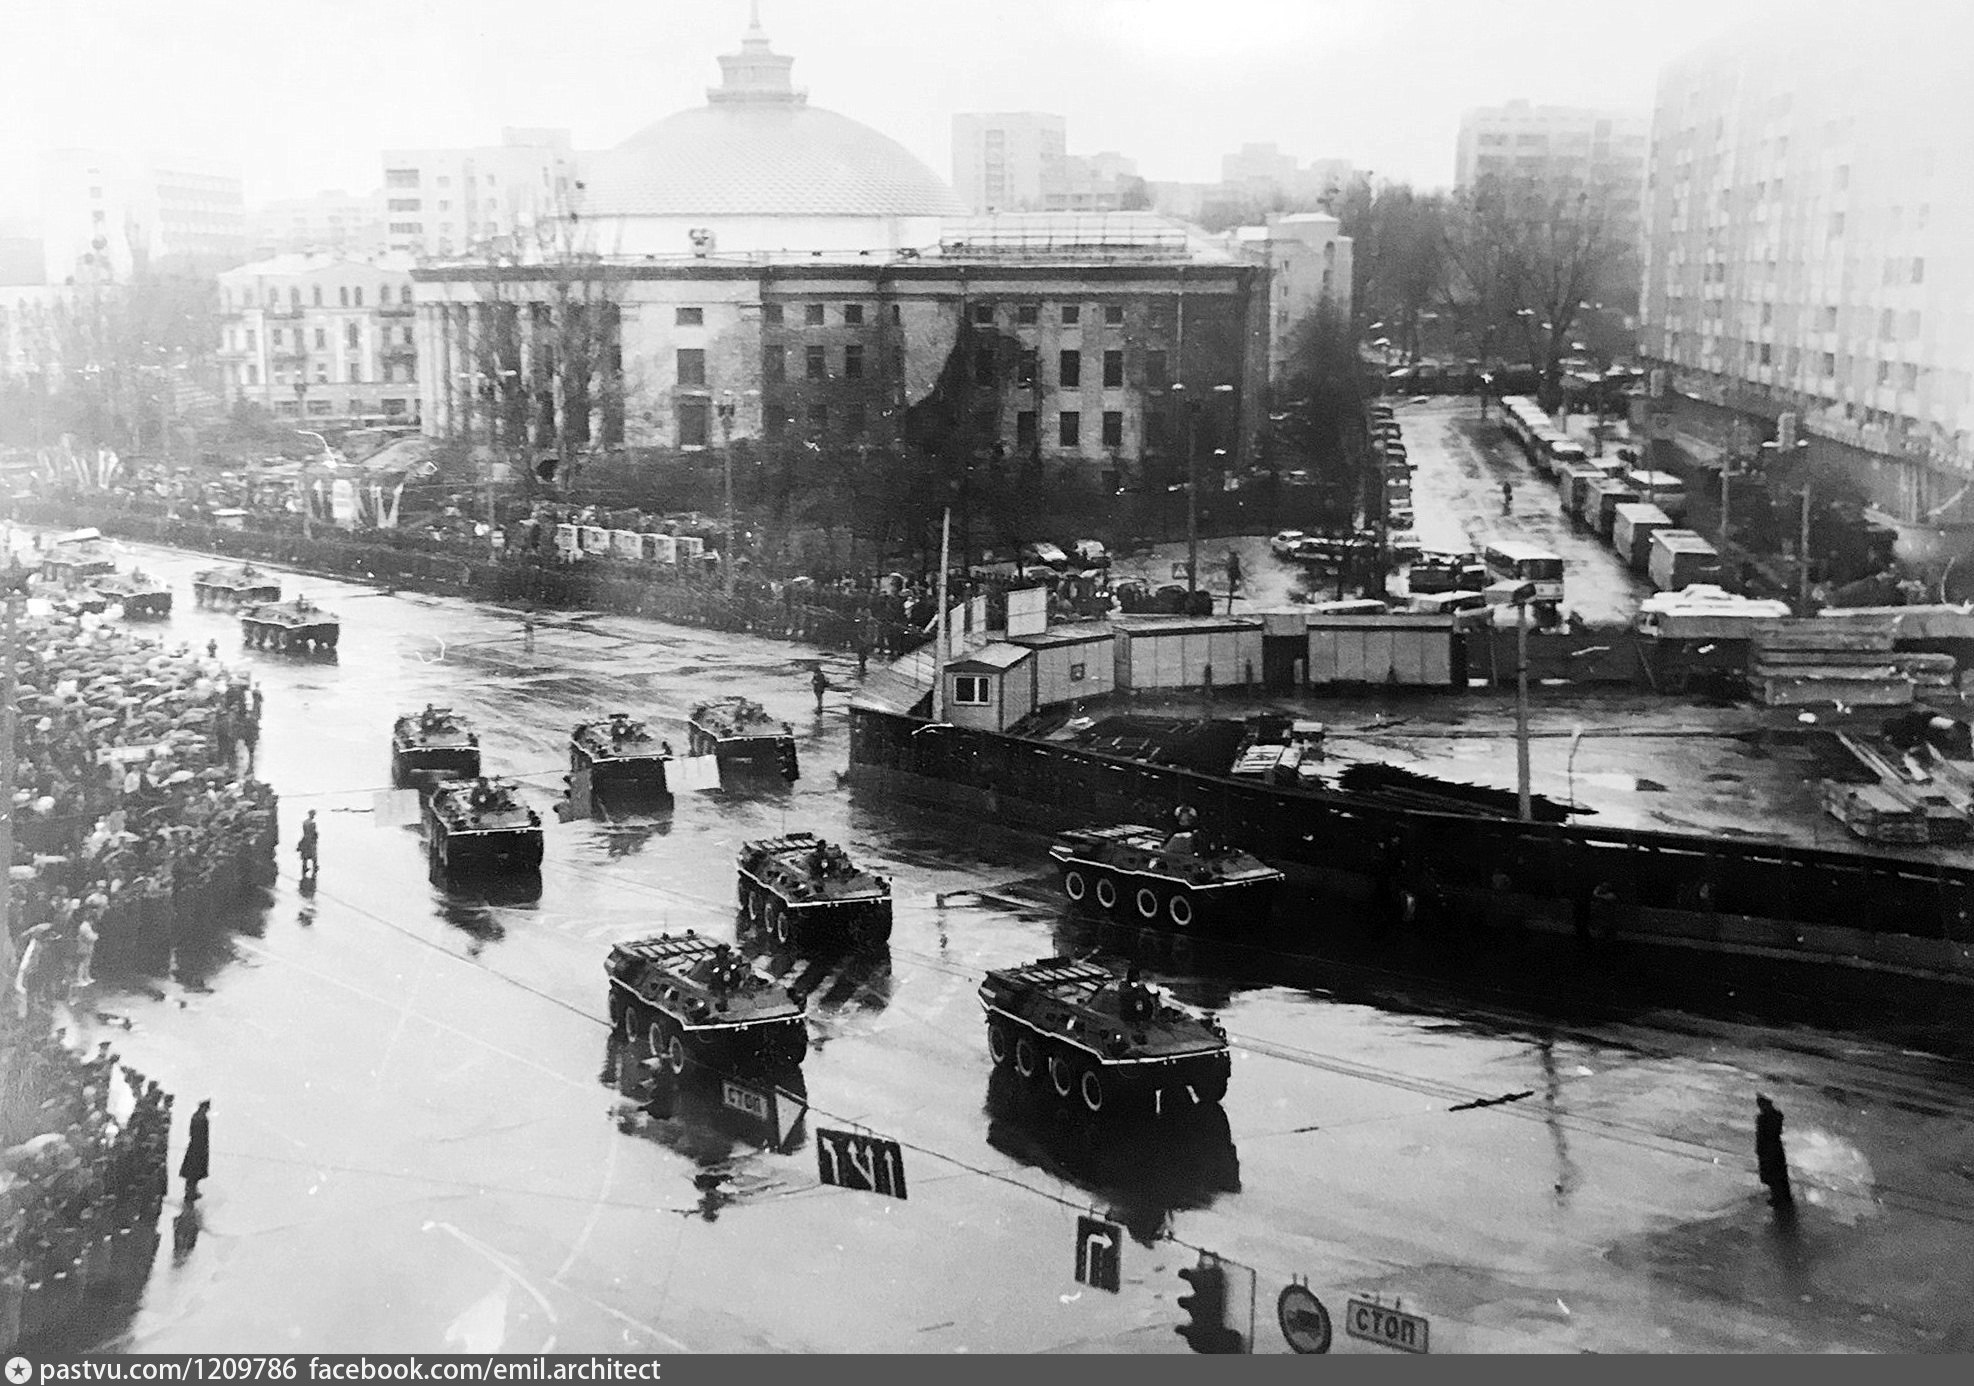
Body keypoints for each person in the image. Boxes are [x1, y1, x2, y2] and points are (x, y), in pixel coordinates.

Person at [1756, 1094, 1793, 1210]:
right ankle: (1785, 1196)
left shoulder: (1762, 1118)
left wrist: (1759, 1148)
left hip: (1768, 1149)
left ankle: (1777, 1198)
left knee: (1772, 1174)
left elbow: (1761, 1135)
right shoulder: (1777, 1115)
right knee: (1780, 1173)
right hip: (1776, 1147)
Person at [180, 1098, 211, 1200]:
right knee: (195, 1171)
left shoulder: (196, 1116)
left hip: (194, 1147)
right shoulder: (201, 1118)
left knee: (192, 1171)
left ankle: (190, 1191)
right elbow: (201, 1135)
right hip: (198, 1149)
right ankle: (191, 1192)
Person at [297, 809, 319, 879]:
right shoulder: (312, 823)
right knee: (313, 855)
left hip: (305, 840)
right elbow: (314, 833)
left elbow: (305, 832)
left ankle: (304, 868)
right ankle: (315, 867)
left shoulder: (305, 822)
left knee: (305, 856)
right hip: (311, 841)